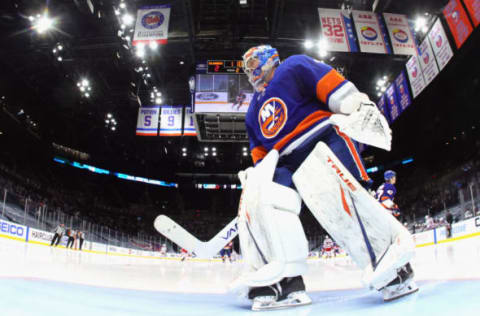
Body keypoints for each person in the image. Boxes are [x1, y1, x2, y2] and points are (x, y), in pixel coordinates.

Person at [234, 45, 416, 310]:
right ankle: (283, 281)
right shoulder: (252, 111)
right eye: (246, 66)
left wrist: (351, 102)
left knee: (345, 199)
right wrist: (258, 176)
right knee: (266, 203)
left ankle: (393, 269)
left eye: (253, 63)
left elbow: (330, 85)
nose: (250, 70)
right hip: (283, 159)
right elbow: (260, 152)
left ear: (269, 59)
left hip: (323, 138)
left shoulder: (293, 66)